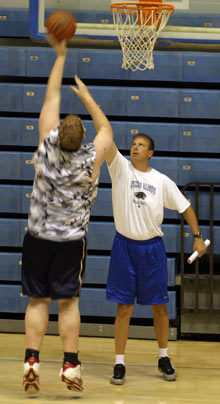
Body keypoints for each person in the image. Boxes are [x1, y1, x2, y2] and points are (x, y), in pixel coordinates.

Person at [21, 35, 113, 394]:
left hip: (38, 237)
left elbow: (51, 98)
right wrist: (88, 98)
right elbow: (106, 130)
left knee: (37, 300)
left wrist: (60, 56)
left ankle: (32, 357)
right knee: (69, 301)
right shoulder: (92, 159)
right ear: (83, 139)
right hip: (72, 242)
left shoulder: (45, 149)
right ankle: (71, 364)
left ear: (57, 134)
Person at [106, 134, 207, 384]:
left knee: (159, 307)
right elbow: (106, 139)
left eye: (141, 145)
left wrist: (197, 236)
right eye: (133, 144)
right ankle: (119, 362)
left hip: (151, 249)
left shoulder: (161, 181)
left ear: (151, 152)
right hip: (124, 247)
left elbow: (185, 207)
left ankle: (163, 357)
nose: (135, 148)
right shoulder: (120, 168)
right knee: (124, 307)